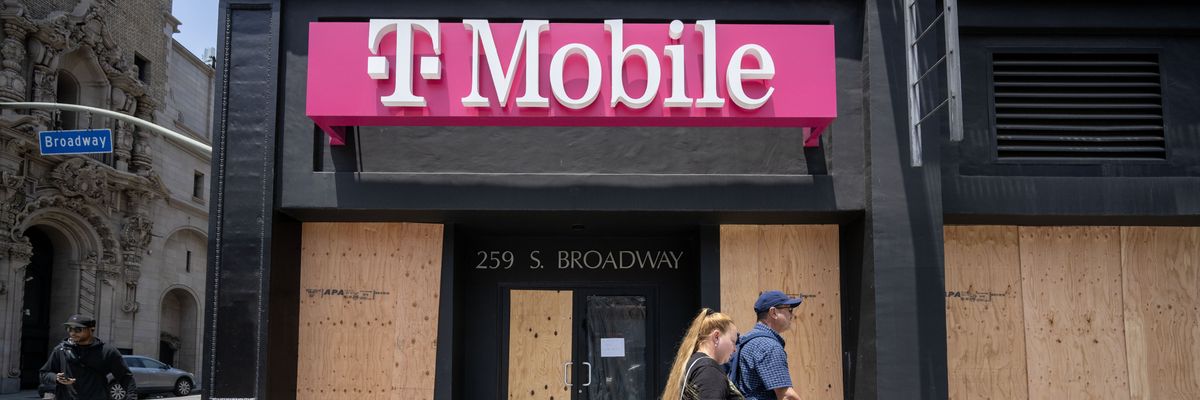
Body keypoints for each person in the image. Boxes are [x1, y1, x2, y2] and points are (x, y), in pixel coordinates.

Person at [39, 314, 137, 400]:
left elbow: (126, 377)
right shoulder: (60, 350)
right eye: (69, 329)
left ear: (92, 329)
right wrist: (56, 377)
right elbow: (44, 373)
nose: (72, 333)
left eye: (78, 329)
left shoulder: (107, 351)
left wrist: (131, 397)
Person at [727, 290, 803, 400]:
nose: (792, 315)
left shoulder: (747, 339)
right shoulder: (769, 346)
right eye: (789, 310)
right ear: (773, 313)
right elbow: (786, 396)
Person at [661, 308, 745, 400]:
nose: (734, 350)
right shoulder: (710, 371)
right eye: (733, 341)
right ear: (716, 337)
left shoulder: (693, 362)